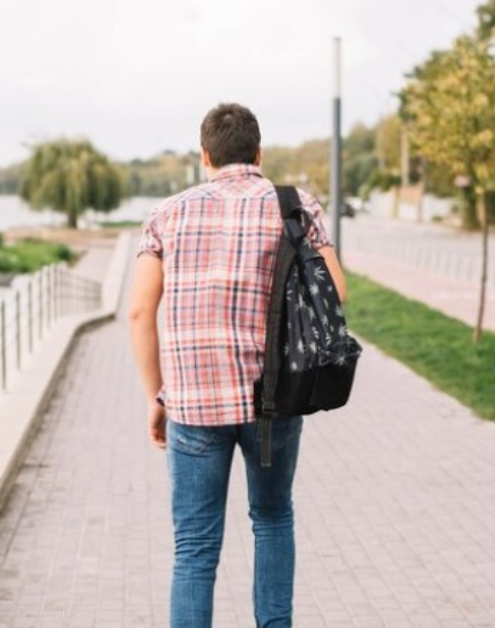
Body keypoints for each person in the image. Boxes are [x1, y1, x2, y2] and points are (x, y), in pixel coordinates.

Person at [128, 102, 347, 628]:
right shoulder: (296, 206)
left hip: (193, 406)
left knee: (195, 549)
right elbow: (335, 293)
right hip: (273, 399)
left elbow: (139, 312)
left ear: (205, 155)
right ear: (259, 153)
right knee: (272, 520)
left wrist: (156, 397)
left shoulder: (167, 213)